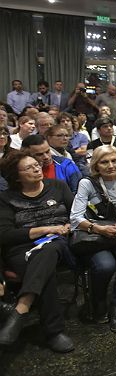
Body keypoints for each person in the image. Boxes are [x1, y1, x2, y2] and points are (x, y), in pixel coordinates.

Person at [0, 151, 75, 352]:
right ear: (16, 176)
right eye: (29, 167)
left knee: (49, 249)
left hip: (58, 242)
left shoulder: (57, 186)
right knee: (45, 269)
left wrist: (67, 226)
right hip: (22, 249)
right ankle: (54, 332)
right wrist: (45, 229)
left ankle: (21, 308)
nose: (36, 169)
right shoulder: (6, 198)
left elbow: (75, 214)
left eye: (37, 164)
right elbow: (5, 234)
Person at [69, 146, 116, 332]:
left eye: (114, 161)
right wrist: (98, 228)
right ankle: (98, 301)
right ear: (96, 165)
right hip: (94, 235)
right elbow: (75, 217)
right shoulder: (87, 183)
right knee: (106, 265)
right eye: (104, 162)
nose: (110, 165)